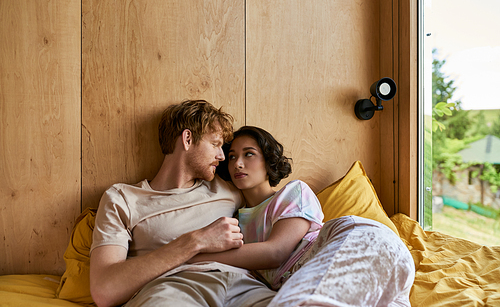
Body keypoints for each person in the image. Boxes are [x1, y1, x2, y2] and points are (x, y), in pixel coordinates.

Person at [191, 126, 416, 306]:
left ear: (268, 161)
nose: (237, 163)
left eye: (249, 154)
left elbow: (276, 252)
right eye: (231, 157)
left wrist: (190, 255)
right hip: (330, 284)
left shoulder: (293, 192)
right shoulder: (235, 221)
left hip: (357, 243)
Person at [89, 100, 276, 307]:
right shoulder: (123, 199)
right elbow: (104, 291)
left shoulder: (231, 189)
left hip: (244, 288)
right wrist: (197, 241)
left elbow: (281, 204)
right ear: (187, 139)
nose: (222, 156)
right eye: (215, 144)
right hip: (173, 290)